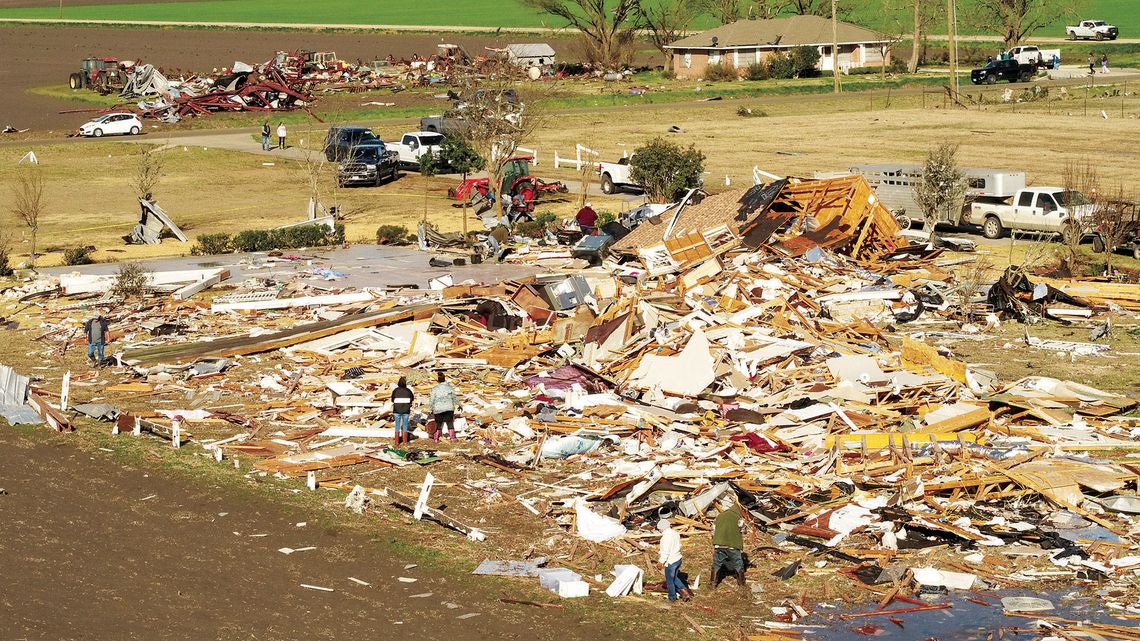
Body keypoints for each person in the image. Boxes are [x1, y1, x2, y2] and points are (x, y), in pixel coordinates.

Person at [711, 498, 747, 588]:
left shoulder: (719, 516)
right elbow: (743, 530)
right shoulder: (738, 518)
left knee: (716, 564)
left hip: (718, 544)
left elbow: (713, 530)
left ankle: (712, 583)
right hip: (732, 545)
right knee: (738, 564)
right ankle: (741, 583)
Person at [658, 519, 690, 602]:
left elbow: (666, 552)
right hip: (678, 559)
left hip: (670, 561)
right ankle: (684, 590)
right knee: (674, 577)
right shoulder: (675, 533)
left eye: (659, 529)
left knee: (669, 581)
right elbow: (679, 545)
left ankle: (672, 597)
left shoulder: (665, 538)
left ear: (663, 528)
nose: (659, 530)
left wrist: (661, 562)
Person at [429, 370, 458, 443]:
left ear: (438, 380)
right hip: (449, 408)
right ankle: (453, 438)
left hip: (438, 409)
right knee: (450, 423)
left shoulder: (435, 389)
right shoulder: (450, 388)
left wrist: (430, 409)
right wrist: (460, 405)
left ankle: (436, 439)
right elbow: (454, 398)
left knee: (438, 424)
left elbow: (432, 400)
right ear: (444, 379)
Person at [391, 376, 414, 447]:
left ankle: (397, 442)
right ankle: (405, 441)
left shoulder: (395, 390)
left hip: (397, 410)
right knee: (405, 426)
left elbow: (392, 399)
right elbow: (411, 399)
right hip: (406, 410)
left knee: (397, 426)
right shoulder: (408, 391)